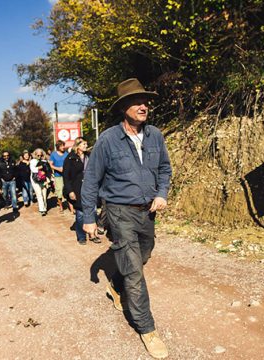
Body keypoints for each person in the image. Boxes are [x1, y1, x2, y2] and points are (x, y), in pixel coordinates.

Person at [81, 78, 172, 359]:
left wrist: (161, 193)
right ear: (124, 108)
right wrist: (88, 218)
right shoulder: (108, 139)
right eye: (137, 101)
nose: (143, 105)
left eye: (145, 101)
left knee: (143, 255)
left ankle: (116, 287)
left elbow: (165, 169)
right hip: (119, 212)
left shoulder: (155, 135)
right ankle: (147, 329)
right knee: (134, 270)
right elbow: (91, 180)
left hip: (148, 212)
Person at [63, 137, 100, 245]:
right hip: (77, 188)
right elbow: (66, 176)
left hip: (90, 187)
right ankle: (81, 236)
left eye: (86, 144)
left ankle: (93, 234)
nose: (85, 146)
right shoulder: (70, 158)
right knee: (80, 213)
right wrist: (70, 191)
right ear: (77, 145)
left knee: (93, 211)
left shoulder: (89, 156)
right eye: (83, 144)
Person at [49, 140, 73, 214]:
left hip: (67, 176)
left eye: (64, 145)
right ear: (58, 146)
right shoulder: (53, 154)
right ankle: (61, 206)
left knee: (68, 191)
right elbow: (51, 165)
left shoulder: (66, 154)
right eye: (62, 146)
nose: (63, 147)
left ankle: (71, 208)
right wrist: (58, 168)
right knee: (59, 192)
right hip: (58, 176)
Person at [30, 148, 51, 216]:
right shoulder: (33, 161)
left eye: (40, 155)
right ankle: (42, 209)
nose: (39, 156)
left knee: (44, 194)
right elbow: (33, 169)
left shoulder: (44, 160)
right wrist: (40, 167)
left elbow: (48, 170)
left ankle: (44, 207)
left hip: (44, 179)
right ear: (35, 154)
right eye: (37, 155)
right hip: (35, 179)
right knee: (39, 194)